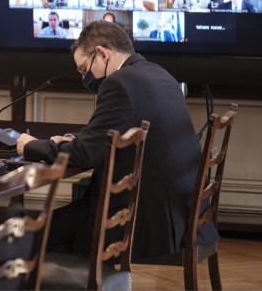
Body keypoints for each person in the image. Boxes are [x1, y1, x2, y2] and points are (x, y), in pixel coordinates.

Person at [16, 21, 218, 259]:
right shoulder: (158, 74)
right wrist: (72, 139)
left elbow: (86, 154)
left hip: (140, 219)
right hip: (181, 215)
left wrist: (30, 146)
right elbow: (113, 133)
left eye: (84, 69)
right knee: (42, 232)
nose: (84, 78)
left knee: (21, 234)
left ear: (102, 54)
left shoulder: (119, 82)